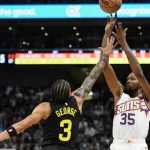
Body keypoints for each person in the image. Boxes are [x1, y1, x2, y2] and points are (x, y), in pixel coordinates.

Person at [0, 37, 117, 150]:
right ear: (70, 93)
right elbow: (93, 76)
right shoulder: (77, 100)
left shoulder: (45, 108)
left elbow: (20, 127)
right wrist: (105, 55)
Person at [99, 13, 150, 150]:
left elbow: (139, 73)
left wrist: (124, 44)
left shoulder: (147, 96)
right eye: (127, 79)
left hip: (138, 145)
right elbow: (103, 65)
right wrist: (107, 33)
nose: (129, 81)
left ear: (140, 83)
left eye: (132, 79)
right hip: (117, 145)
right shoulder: (119, 94)